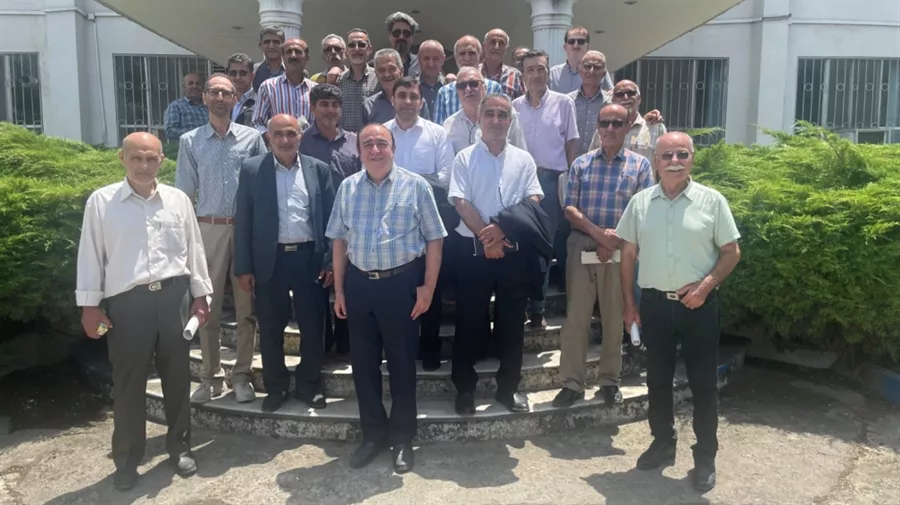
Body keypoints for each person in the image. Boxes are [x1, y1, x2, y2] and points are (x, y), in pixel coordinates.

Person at [76, 132, 212, 491]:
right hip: (127, 304)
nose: (144, 165)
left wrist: (201, 296)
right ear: (122, 158)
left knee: (178, 379)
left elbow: (194, 250)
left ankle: (180, 447)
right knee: (128, 385)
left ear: (161, 161)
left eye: (151, 158)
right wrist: (89, 306)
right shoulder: (102, 202)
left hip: (174, 299)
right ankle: (127, 460)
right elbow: (90, 255)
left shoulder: (178, 200)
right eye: (136, 157)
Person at [616, 131, 741, 492]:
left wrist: (705, 286)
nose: (674, 161)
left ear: (692, 159)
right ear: (655, 162)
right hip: (655, 305)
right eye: (667, 155)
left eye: (682, 154)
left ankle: (705, 458)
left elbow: (731, 252)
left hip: (699, 306)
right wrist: (629, 304)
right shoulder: (640, 203)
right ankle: (662, 442)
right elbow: (627, 254)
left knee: (703, 384)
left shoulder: (712, 201)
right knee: (657, 379)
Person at [327, 123, 447, 474]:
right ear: (359, 151)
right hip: (360, 286)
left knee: (401, 366)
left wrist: (428, 287)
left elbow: (435, 238)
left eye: (382, 143)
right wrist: (340, 290)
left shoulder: (416, 186)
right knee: (363, 367)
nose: (375, 149)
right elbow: (339, 241)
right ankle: (373, 435)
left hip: (401, 286)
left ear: (393, 148)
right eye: (368, 144)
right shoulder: (348, 188)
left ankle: (402, 439)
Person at [449, 94, 549, 416]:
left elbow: (533, 199)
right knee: (468, 321)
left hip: (514, 252)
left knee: (512, 325)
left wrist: (502, 230)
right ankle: (465, 389)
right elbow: (460, 202)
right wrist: (487, 237)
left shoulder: (524, 159)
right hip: (472, 253)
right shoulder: (464, 158)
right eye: (489, 113)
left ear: (510, 120)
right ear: (479, 118)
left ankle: (509, 390)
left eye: (502, 114)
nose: (495, 120)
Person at [553, 104, 653, 409]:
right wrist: (599, 236)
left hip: (621, 249)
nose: (610, 128)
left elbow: (643, 211)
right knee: (576, 318)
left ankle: (609, 380)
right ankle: (571, 383)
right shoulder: (581, 164)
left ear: (627, 127)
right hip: (583, 246)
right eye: (605, 122)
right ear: (597, 127)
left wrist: (613, 241)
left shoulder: (640, 166)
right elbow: (570, 209)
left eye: (617, 123)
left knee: (613, 317)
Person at [234, 114, 335, 413]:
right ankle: (276, 386)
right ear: (268, 137)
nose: (285, 139)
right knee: (270, 327)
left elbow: (332, 221)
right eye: (278, 134)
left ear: (301, 135)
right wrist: (244, 267)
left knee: (313, 326)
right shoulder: (252, 170)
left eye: (291, 133)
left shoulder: (318, 169)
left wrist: (329, 260)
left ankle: (309, 385)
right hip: (270, 260)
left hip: (309, 258)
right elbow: (243, 221)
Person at [175, 74, 267, 405]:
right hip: (208, 229)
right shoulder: (190, 141)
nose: (219, 98)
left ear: (234, 99)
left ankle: (241, 375)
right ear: (204, 97)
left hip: (244, 229)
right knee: (207, 307)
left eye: (226, 93)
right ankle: (210, 377)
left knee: (246, 308)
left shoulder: (252, 139)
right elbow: (184, 194)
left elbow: (261, 188)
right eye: (213, 92)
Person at [384, 76, 455, 370]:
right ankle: (401, 349)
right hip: (389, 222)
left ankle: (430, 349)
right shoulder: (382, 133)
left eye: (413, 97)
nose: (408, 102)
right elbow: (374, 172)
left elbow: (446, 176)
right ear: (392, 99)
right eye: (402, 95)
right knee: (397, 289)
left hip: (427, 221)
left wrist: (404, 183)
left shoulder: (437, 134)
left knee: (429, 286)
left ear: (421, 102)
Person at [513, 49, 579, 327]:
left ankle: (539, 308)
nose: (536, 74)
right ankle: (521, 304)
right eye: (531, 70)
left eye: (541, 69)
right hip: (520, 183)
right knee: (520, 245)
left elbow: (572, 143)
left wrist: (572, 182)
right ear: (523, 75)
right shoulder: (514, 107)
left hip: (551, 182)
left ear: (548, 72)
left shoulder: (564, 103)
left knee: (546, 245)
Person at [300, 84, 361, 356]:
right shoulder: (301, 142)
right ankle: (322, 347)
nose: (330, 110)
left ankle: (347, 345)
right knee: (317, 289)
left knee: (348, 285)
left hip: (349, 226)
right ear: (312, 108)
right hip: (313, 225)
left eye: (335, 105)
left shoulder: (354, 142)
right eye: (324, 104)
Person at [443, 66, 527, 154]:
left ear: (485, 88)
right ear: (457, 92)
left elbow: (521, 153)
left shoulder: (507, 115)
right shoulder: (449, 125)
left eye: (473, 84)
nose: (468, 89)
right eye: (462, 86)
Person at [252, 38, 315, 132]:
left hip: (309, 141)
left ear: (307, 58)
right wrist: (271, 136)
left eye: (298, 52)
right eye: (289, 52)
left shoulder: (315, 89)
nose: (293, 56)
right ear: (282, 57)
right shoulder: (268, 87)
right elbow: (257, 122)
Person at [549, 26, 613, 94]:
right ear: (565, 47)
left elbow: (611, 93)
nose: (576, 45)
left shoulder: (598, 71)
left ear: (588, 47)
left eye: (581, 41)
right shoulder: (553, 74)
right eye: (571, 41)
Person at [163, 73, 208, 141]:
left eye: (198, 83)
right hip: (187, 146)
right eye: (190, 83)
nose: (194, 86)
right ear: (184, 87)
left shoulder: (208, 106)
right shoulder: (176, 106)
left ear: (203, 87)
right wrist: (196, 133)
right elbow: (170, 131)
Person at [226, 53, 257, 126]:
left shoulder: (260, 101)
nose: (237, 77)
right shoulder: (224, 101)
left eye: (243, 73)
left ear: (252, 76)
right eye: (233, 73)